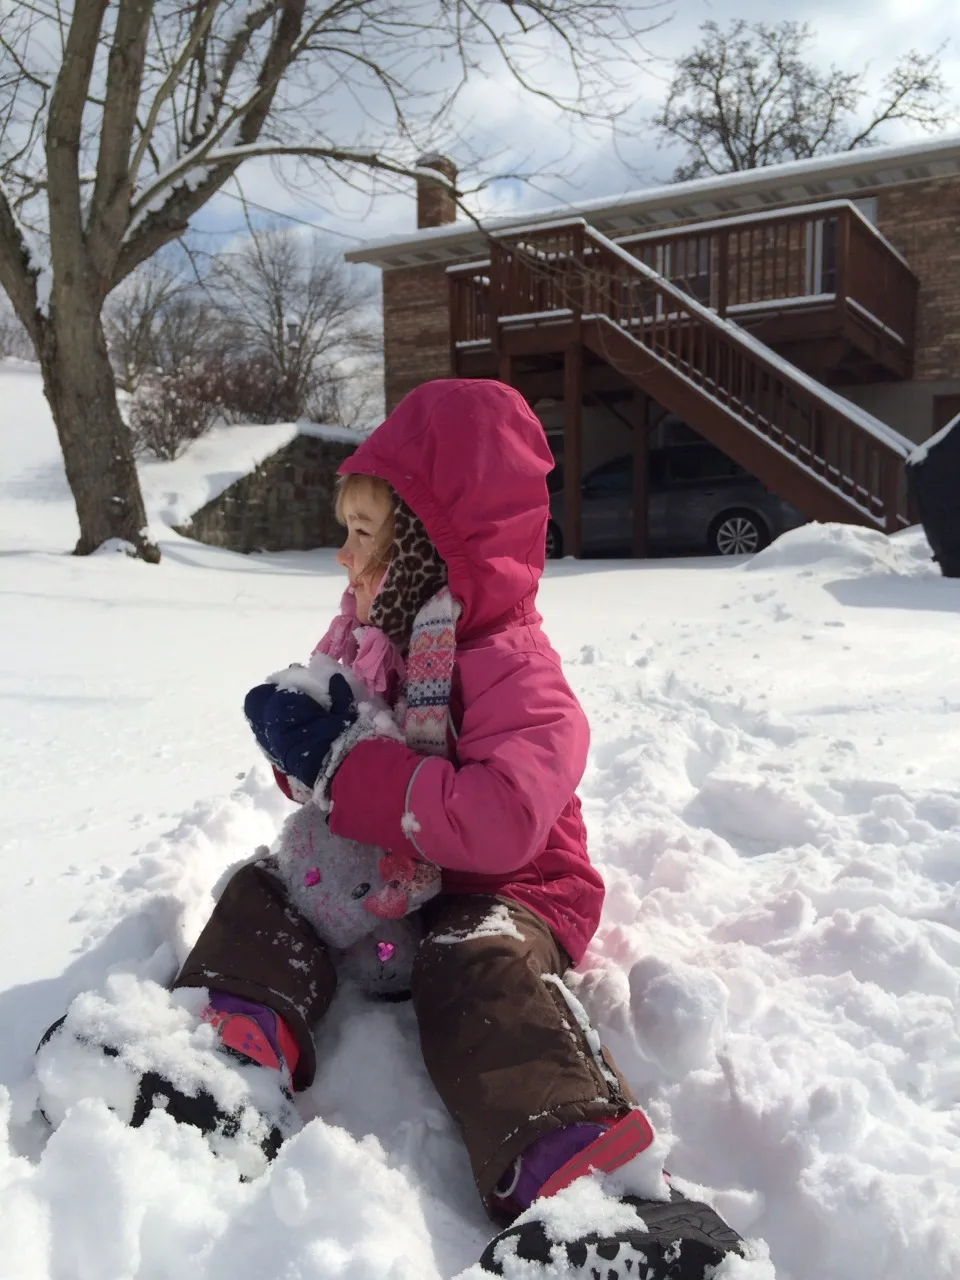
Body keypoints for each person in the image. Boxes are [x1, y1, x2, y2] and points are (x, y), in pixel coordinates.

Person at [39, 380, 744, 1279]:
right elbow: (329, 777)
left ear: (427, 551)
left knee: (472, 965)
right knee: (264, 888)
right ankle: (222, 1059)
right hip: (384, 871)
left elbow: (501, 823)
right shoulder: (369, 636)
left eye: (364, 536)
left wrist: (356, 769)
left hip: (510, 890)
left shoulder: (516, 670)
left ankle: (589, 1186)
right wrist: (301, 747)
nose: (343, 558)